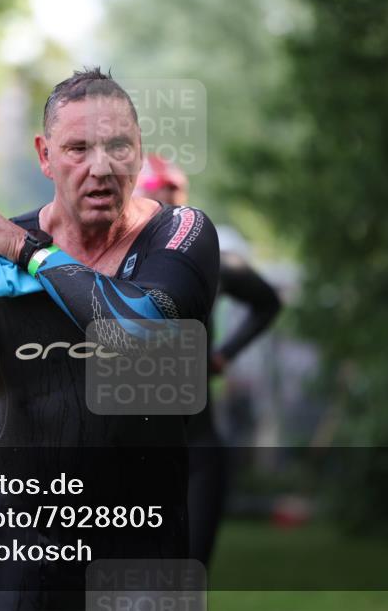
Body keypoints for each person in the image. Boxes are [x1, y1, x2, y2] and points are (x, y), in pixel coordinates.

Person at [0, 68, 220, 611]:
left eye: (118, 147)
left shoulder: (181, 234)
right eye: (77, 149)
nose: (100, 168)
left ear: (139, 153)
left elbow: (141, 325)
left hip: (142, 552)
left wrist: (31, 253)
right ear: (45, 156)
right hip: (19, 553)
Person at [135, 153, 282, 568]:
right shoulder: (112, 261)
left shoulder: (210, 260)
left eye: (176, 197)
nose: (169, 209)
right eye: (158, 199)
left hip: (198, 447)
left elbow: (267, 303)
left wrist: (222, 356)